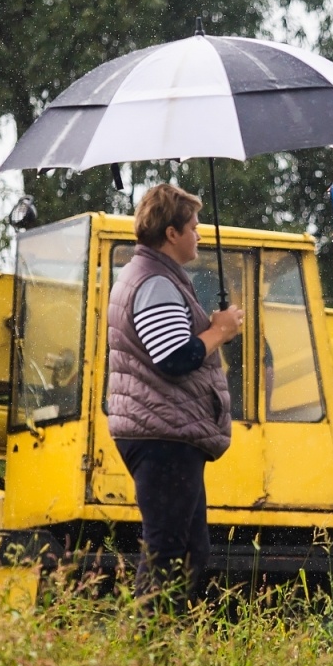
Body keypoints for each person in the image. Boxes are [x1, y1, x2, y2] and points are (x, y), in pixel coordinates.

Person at [106, 184, 245, 610]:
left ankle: (170, 641)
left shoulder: (152, 277)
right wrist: (219, 331)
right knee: (167, 550)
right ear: (171, 233)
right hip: (161, 432)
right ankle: (149, 650)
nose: (200, 234)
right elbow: (172, 357)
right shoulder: (154, 283)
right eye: (193, 226)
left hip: (168, 429)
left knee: (189, 549)